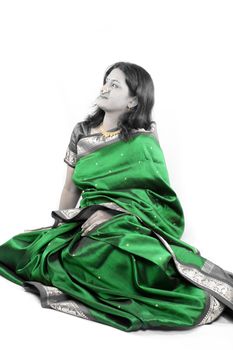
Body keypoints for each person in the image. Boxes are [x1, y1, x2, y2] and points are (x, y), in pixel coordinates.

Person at [0, 61, 233, 332]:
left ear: (133, 100)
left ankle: (197, 292)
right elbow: (70, 189)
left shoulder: (143, 140)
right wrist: (59, 226)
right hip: (84, 219)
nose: (105, 88)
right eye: (106, 81)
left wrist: (113, 210)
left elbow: (159, 198)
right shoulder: (82, 132)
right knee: (27, 249)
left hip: (129, 221)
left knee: (123, 258)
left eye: (115, 84)